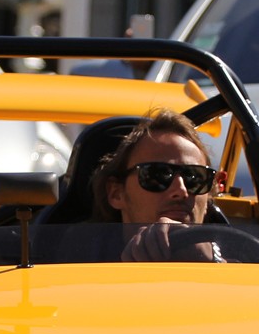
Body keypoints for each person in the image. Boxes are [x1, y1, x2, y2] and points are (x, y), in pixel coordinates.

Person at [89, 110, 222, 261]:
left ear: (208, 198)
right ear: (116, 193)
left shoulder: (238, 261)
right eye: (158, 175)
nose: (181, 190)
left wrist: (212, 260)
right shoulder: (77, 265)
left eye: (194, 177)